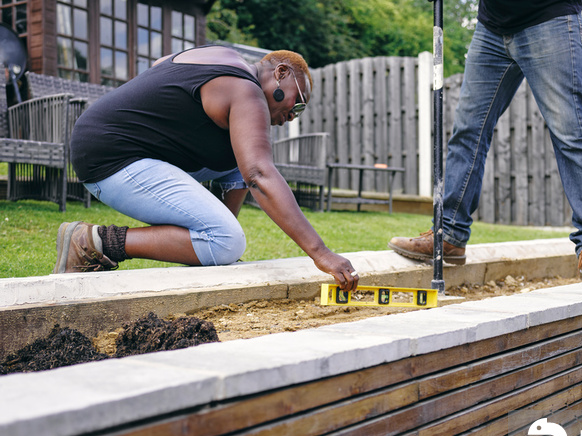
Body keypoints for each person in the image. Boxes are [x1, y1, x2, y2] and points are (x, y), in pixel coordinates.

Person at [54, 45, 359, 292]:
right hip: (110, 157)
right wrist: (321, 253)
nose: (292, 115)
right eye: (298, 102)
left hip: (104, 142)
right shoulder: (245, 88)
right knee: (228, 236)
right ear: (280, 72)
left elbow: (161, 66)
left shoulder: (221, 57)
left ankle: (218, 242)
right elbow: (260, 175)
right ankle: (93, 242)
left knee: (237, 165)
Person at [389, 0, 582, 283]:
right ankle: (449, 235)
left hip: (549, 18)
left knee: (571, 132)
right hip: (491, 26)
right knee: (467, 131)